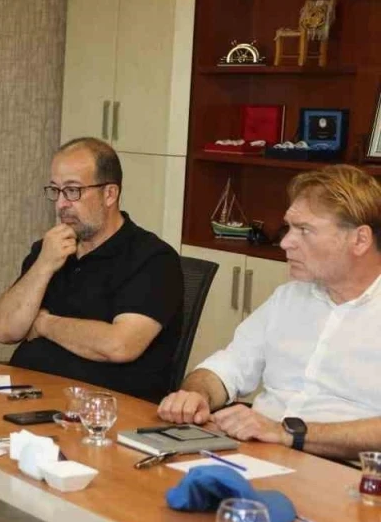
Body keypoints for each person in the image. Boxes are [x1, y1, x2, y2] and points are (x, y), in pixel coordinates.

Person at [158, 166, 381, 459]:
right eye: (289, 228)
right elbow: (230, 365)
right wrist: (197, 394)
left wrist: (286, 433)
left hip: (346, 471)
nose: (286, 242)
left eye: (305, 230)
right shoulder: (289, 297)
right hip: (261, 453)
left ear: (360, 240)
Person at [0, 137, 183, 402]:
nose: (61, 204)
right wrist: (44, 265)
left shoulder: (153, 259)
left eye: (73, 191)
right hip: (28, 397)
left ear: (110, 194)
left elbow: (120, 345)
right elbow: (5, 329)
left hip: (105, 410)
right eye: (56, 190)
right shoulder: (51, 249)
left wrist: (44, 324)